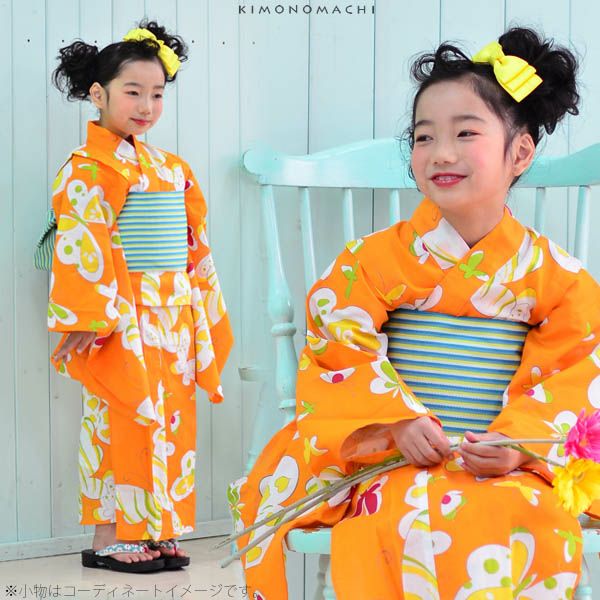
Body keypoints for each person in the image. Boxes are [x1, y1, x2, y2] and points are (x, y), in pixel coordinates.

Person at [230, 27, 600, 598]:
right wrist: (395, 422)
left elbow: (578, 370)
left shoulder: (561, 277)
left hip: (501, 459)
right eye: (424, 137)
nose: (441, 153)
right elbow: (339, 346)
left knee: (530, 516)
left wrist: (519, 444)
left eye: (465, 132)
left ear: (520, 152)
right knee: (391, 516)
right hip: (391, 453)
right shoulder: (369, 261)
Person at [48, 20, 233, 573]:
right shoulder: (88, 168)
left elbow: (195, 242)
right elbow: (83, 241)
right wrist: (87, 314)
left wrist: (200, 308)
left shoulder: (171, 168)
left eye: (157, 94)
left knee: (170, 419)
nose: (147, 106)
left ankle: (156, 527)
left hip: (173, 311)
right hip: (119, 312)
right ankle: (109, 536)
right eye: (133, 92)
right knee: (119, 417)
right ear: (98, 93)